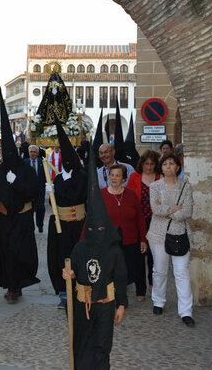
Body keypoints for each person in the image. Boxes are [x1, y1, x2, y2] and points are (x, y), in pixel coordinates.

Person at [62, 148, 127, 369]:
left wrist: (121, 306)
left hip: (105, 306)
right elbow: (72, 269)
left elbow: (120, 278)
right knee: (82, 343)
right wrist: (68, 274)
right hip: (82, 305)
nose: (96, 232)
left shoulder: (113, 251)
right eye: (92, 228)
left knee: (102, 345)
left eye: (101, 228)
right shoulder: (80, 248)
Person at [0, 90, 40, 303]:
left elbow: (33, 191)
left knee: (18, 254)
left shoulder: (25, 170)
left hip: (21, 220)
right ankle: (8, 283)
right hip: (2, 219)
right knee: (3, 254)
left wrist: (15, 182)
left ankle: (16, 286)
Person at [147, 153, 195, 326]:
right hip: (158, 234)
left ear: (177, 167)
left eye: (171, 163)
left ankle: (186, 311)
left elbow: (187, 211)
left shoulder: (186, 187)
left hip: (181, 233)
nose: (168, 166)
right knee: (159, 270)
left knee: (182, 273)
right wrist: (174, 209)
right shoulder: (154, 186)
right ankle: (158, 301)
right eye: (165, 164)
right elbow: (155, 208)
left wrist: (167, 211)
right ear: (161, 167)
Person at [47, 118, 87, 309]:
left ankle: (80, 289)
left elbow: (78, 194)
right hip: (62, 225)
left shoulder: (83, 176)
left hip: (79, 224)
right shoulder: (60, 178)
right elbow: (56, 203)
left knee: (79, 257)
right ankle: (64, 293)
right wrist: (51, 192)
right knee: (63, 258)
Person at [100, 164, 147, 304]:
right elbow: (95, 217)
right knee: (110, 268)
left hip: (129, 239)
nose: (114, 178)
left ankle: (121, 297)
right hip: (108, 240)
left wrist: (143, 239)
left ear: (124, 178)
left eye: (117, 175)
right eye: (112, 175)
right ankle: (114, 297)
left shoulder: (131, 195)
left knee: (125, 270)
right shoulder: (102, 194)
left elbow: (140, 219)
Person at [126, 150, 160, 300]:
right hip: (138, 221)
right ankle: (140, 289)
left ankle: (153, 285)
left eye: (152, 164)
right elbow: (129, 196)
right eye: (146, 163)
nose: (149, 167)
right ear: (142, 164)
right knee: (139, 256)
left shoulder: (160, 178)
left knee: (155, 256)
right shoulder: (135, 177)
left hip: (156, 221)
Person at [24, 145, 46, 232]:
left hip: (39, 190)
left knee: (40, 209)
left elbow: (45, 175)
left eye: (34, 152)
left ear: (38, 153)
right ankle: (30, 227)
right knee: (29, 210)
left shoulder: (42, 162)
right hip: (28, 191)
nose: (32, 154)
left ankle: (40, 225)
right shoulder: (24, 162)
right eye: (31, 152)